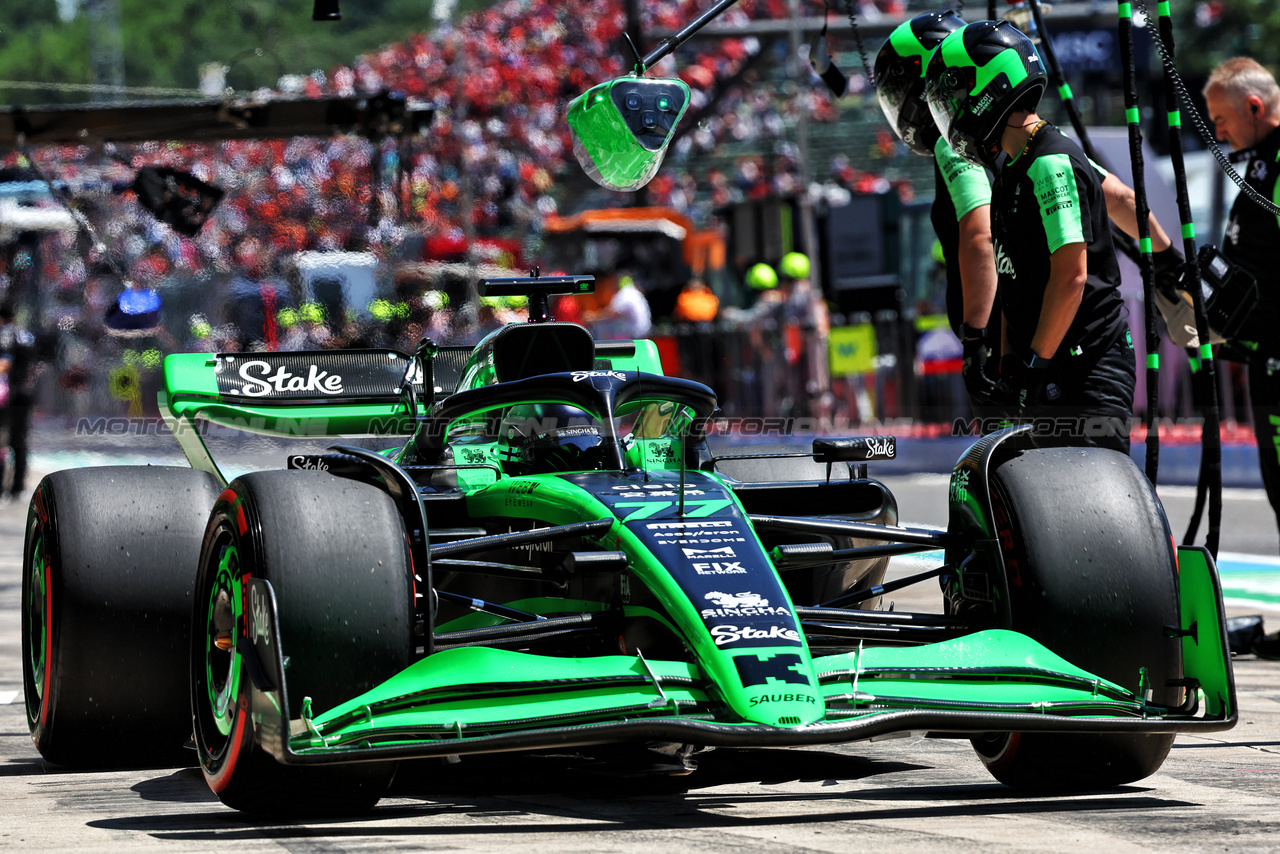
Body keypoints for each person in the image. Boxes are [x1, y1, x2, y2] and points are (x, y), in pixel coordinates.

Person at [925, 21, 1179, 453]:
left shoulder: (1049, 161)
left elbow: (1071, 279)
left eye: (957, 95)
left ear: (992, 85)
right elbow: (1011, 279)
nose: (954, 111)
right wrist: (1007, 365)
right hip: (1046, 367)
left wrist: (1033, 365)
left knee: (1096, 504)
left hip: (1085, 368)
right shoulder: (1010, 169)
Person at [875, 10, 999, 407]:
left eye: (899, 89)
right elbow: (1117, 195)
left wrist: (977, 337)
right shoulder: (1022, 130)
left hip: (1004, 337)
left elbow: (981, 235)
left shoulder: (954, 141)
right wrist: (1169, 260)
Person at [1203, 57, 1280, 537]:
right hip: (1262, 358)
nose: (1217, 131)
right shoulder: (1257, 163)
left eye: (1221, 120)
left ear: (1253, 106)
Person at [0, 304, 36, 502]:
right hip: (25, 393)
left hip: (7, 395)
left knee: (2, 442)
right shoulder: (26, 336)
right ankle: (18, 488)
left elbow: (4, 364)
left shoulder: (5, 335)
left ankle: (2, 488)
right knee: (20, 441)